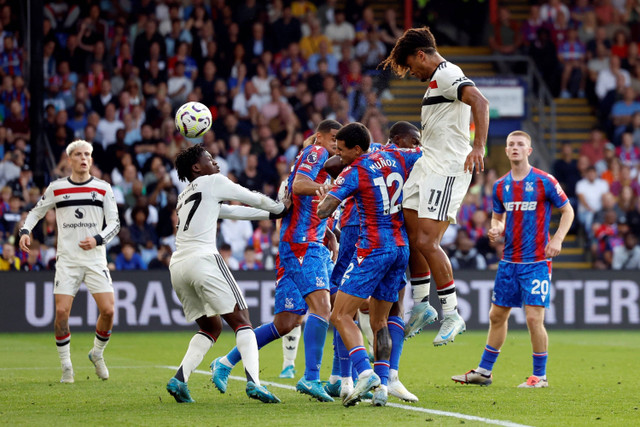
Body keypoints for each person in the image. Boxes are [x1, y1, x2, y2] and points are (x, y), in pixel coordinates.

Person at [211, 120, 342, 403]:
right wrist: (322, 187)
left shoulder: (312, 160)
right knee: (326, 307)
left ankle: (224, 362)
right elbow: (299, 186)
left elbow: (298, 204)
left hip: (301, 244)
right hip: (302, 246)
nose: (336, 144)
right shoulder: (316, 153)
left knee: (285, 323)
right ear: (320, 138)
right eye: (333, 138)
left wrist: (329, 232)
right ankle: (316, 377)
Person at [380, 27, 490, 345]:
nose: (412, 73)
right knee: (411, 233)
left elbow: (480, 102)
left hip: (448, 169)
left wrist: (479, 146)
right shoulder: (434, 82)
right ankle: (422, 304)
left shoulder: (447, 73)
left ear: (421, 55)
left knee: (428, 241)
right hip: (427, 165)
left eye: (411, 66)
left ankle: (452, 314)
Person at [165, 144, 288, 404]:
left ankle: (179, 379)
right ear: (197, 167)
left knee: (211, 327)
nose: (217, 163)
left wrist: (268, 214)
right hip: (203, 259)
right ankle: (254, 382)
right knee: (243, 321)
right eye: (210, 158)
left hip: (178, 266)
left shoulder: (184, 196)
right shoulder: (213, 181)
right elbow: (248, 196)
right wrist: (278, 209)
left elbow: (232, 211)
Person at [451, 130, 574, 388]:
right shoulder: (500, 186)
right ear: (506, 151)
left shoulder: (545, 181)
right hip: (509, 262)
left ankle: (539, 376)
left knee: (533, 318)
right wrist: (496, 228)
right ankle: (484, 372)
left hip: (537, 261)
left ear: (529, 151)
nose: (515, 148)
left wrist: (558, 239)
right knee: (496, 316)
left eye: (520, 144)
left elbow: (567, 211)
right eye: (511, 144)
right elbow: (498, 217)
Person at [316, 122, 422, 406]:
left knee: (339, 315)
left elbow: (325, 207)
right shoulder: (398, 156)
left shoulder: (355, 170)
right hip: (401, 246)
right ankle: (383, 386)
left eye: (342, 151)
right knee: (379, 321)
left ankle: (364, 373)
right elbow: (425, 155)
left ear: (357, 149)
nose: (340, 157)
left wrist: (325, 195)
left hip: (373, 247)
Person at [19, 140, 121, 383]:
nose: (83, 158)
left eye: (87, 154)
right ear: (70, 160)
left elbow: (115, 223)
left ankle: (97, 353)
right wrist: (25, 230)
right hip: (67, 261)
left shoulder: (103, 188)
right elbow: (36, 212)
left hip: (95, 259)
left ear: (91, 160)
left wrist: (97, 239)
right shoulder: (57, 188)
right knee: (62, 312)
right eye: (78, 154)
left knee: (108, 310)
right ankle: (66, 366)